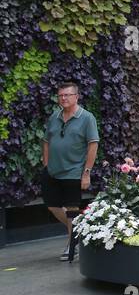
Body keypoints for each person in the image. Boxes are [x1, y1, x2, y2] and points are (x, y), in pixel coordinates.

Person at [42, 81, 99, 261]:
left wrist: (86, 173)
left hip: (74, 171)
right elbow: (46, 141)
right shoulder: (54, 116)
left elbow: (93, 145)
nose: (63, 98)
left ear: (76, 96)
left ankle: (71, 246)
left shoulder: (87, 118)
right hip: (52, 171)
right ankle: (79, 233)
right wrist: (46, 163)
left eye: (67, 95)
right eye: (61, 95)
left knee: (72, 210)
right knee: (53, 206)